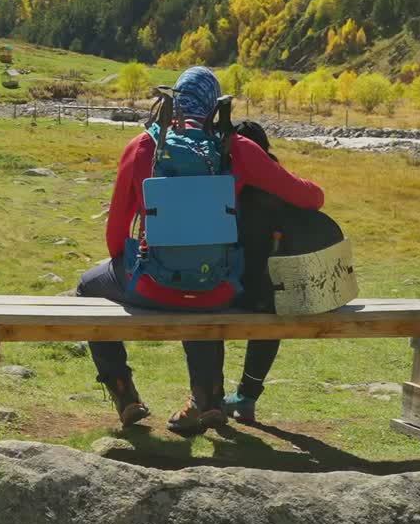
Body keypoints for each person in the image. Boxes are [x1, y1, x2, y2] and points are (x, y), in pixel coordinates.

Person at [78, 67, 324, 435]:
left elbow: (116, 232)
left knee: (87, 286)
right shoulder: (237, 150)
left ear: (173, 100)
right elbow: (312, 197)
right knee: (203, 286)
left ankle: (123, 392)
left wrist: (126, 262)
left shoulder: (143, 145)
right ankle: (207, 397)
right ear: (214, 107)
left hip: (150, 286)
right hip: (219, 289)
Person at [223, 121, 342, 424]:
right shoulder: (271, 178)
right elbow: (314, 197)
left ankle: (209, 394)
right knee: (273, 304)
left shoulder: (222, 175)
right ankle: (247, 396)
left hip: (226, 284)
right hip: (271, 288)